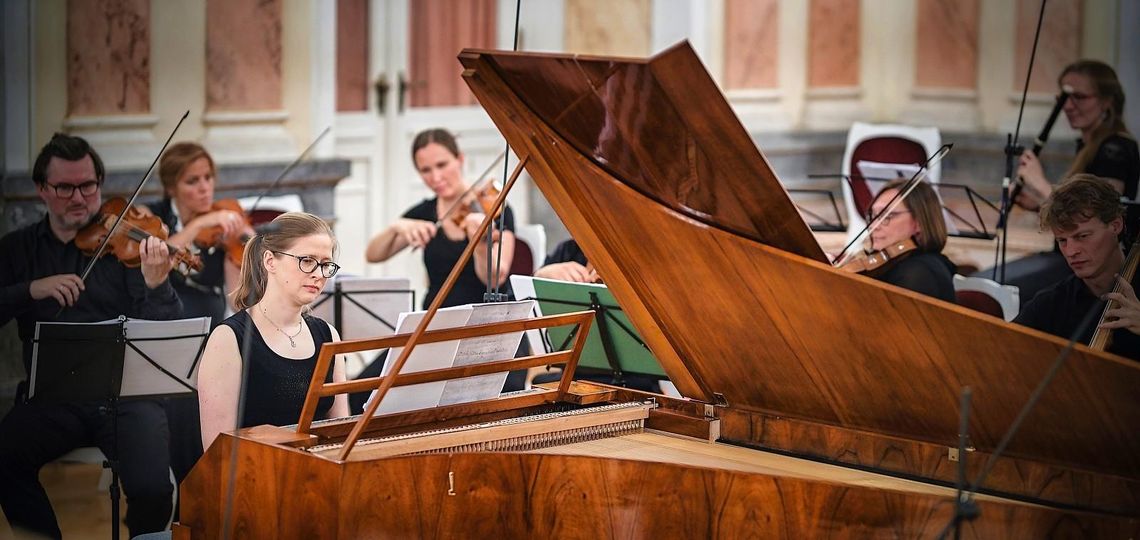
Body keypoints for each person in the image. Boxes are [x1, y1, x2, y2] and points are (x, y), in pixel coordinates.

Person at [0, 133, 183, 538]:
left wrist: (157, 285)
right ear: (41, 190)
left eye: (88, 185)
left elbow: (162, 330)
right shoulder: (17, 250)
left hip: (125, 397)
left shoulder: (126, 247)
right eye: (65, 187)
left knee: (154, 489)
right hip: (51, 398)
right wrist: (29, 290)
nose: (79, 197)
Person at [990, 59, 1140, 303]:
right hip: (1066, 258)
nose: (1068, 106)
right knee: (987, 283)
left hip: (1092, 264)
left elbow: (1098, 212)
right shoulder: (1088, 145)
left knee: (999, 292)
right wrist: (1039, 203)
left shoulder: (1116, 147)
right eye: (1063, 99)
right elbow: (1073, 218)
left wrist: (1039, 183)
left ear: (1106, 101)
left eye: (1078, 97)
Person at [197, 212, 349, 450]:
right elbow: (217, 450)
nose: (319, 274)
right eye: (307, 260)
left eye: (326, 264)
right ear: (270, 261)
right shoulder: (228, 338)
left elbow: (340, 433)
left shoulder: (328, 335)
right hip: (257, 477)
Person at [148, 141, 252, 487]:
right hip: (168, 322)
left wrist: (240, 248)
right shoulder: (155, 218)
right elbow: (160, 251)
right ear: (171, 187)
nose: (205, 187)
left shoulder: (225, 222)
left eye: (208, 177)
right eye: (193, 181)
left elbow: (238, 299)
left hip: (210, 320)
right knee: (184, 404)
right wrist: (200, 224)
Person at [365, 128, 515, 309]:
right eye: (426, 170)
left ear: (460, 159)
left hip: (485, 318)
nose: (436, 177)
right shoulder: (425, 213)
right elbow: (374, 255)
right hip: (435, 319)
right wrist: (397, 226)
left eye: (442, 165)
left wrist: (481, 244)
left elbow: (494, 278)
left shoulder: (494, 208)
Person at [1013, 175, 1140, 360]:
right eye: (1062, 240)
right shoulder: (1051, 304)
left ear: (1116, 225)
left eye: (1082, 236)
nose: (1071, 252)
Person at [857, 179, 956, 302]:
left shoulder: (919, 273)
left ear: (919, 221)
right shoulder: (891, 265)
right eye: (873, 216)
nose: (873, 226)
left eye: (888, 216)